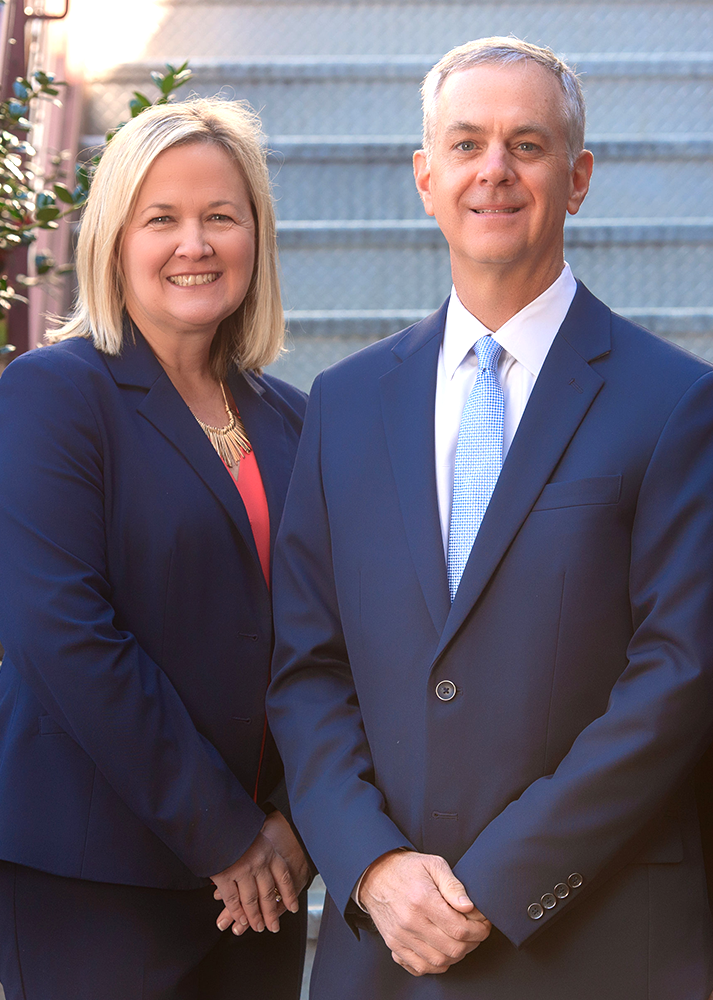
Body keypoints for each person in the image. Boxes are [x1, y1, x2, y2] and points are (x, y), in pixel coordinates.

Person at [267, 36, 713, 1000]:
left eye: (527, 145)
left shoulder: (677, 402)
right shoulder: (345, 403)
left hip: (592, 946)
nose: (494, 170)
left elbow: (681, 675)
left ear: (577, 179)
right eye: (467, 143)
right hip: (385, 952)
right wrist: (371, 866)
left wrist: (495, 885)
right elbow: (307, 671)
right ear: (425, 177)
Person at [0, 98, 311, 1000]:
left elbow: (334, 639)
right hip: (96, 877)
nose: (195, 244)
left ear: (256, 234)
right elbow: (65, 637)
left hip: (266, 887)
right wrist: (226, 835)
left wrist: (294, 825)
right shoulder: (52, 397)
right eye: (162, 219)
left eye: (221, 216)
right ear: (113, 239)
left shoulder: (292, 420)